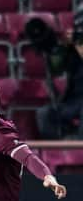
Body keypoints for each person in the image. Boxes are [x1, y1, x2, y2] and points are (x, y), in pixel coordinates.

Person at [36, 7, 83, 139]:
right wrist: (58, 50)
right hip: (73, 101)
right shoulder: (72, 47)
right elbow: (56, 70)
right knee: (45, 113)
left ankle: (78, 152)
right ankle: (56, 154)